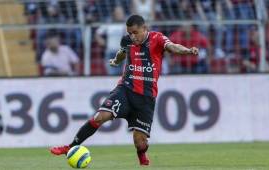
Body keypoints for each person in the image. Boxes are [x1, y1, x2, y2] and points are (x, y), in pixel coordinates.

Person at [50, 15, 198, 166]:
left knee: (140, 143)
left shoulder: (157, 39)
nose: (132, 36)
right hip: (125, 90)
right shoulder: (127, 40)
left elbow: (173, 46)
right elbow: (122, 52)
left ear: (144, 28)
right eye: (129, 33)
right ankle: (70, 147)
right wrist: (116, 60)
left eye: (135, 32)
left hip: (146, 99)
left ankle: (141, 154)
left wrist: (187, 51)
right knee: (100, 117)